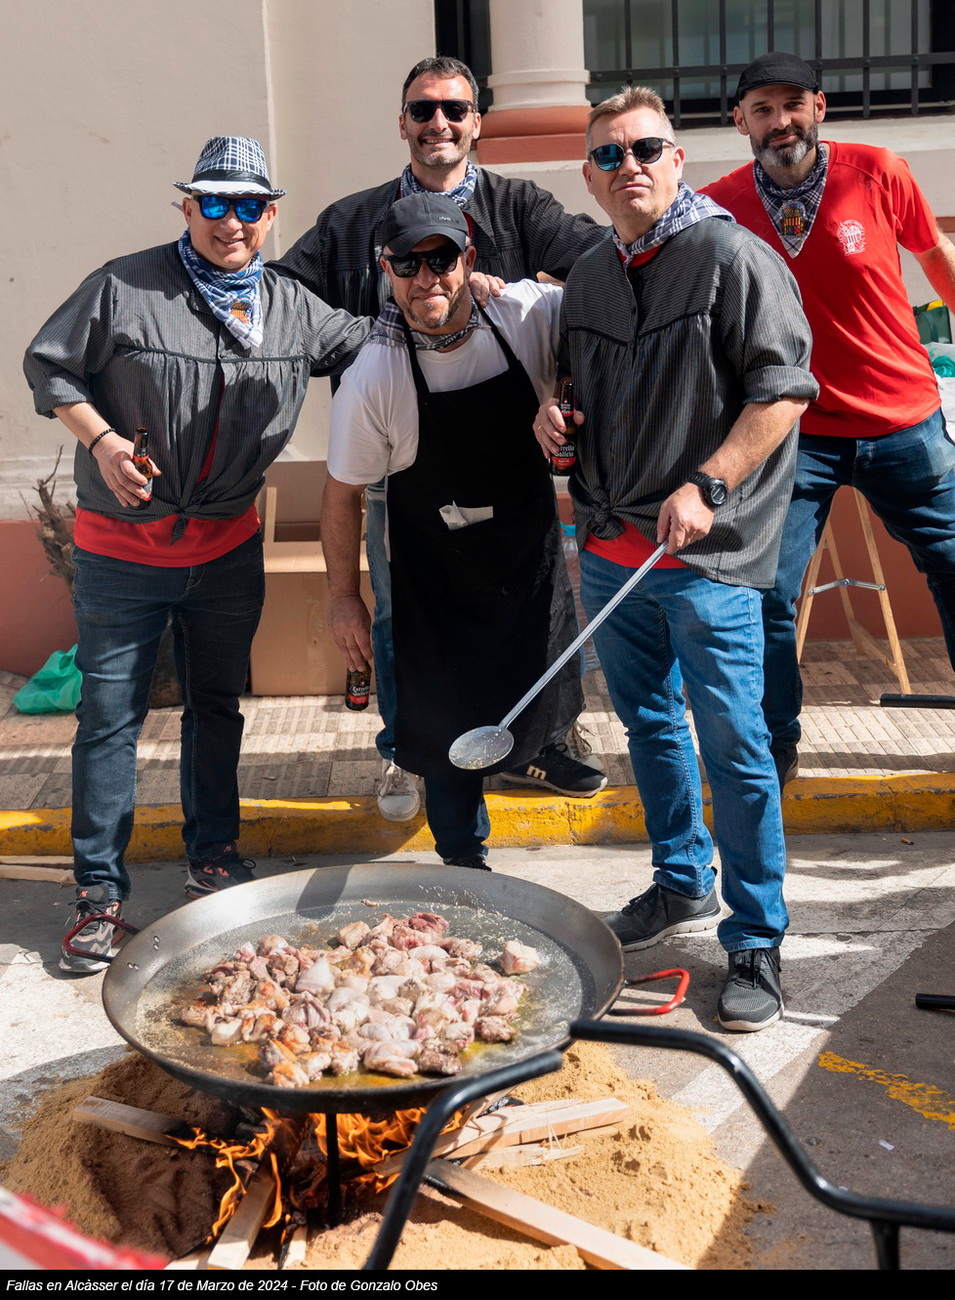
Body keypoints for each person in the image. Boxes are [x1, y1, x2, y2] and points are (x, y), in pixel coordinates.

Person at [24, 137, 370, 973]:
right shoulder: (124, 286)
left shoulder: (291, 306)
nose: (231, 222)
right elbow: (50, 366)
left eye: (249, 206)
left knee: (216, 707)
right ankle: (98, 895)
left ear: (270, 215)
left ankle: (212, 858)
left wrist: (471, 295)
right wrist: (104, 442)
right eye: (213, 203)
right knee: (109, 718)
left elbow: (380, 344)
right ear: (186, 207)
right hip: (120, 551)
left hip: (225, 551)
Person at [535, 87, 818, 1031]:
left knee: (734, 747)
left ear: (677, 158)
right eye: (609, 156)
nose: (629, 167)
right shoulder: (588, 276)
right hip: (610, 551)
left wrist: (709, 484)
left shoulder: (731, 256)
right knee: (650, 727)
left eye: (645, 149)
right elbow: (573, 387)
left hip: (707, 559)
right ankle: (679, 880)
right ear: (588, 177)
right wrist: (553, 419)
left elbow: (783, 393)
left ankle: (755, 938)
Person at [274, 55, 606, 822]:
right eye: (423, 110)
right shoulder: (352, 221)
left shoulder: (519, 208)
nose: (439, 124)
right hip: (395, 468)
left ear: (476, 122)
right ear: (402, 124)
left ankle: (543, 741)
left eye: (455, 110)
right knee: (402, 617)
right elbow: (284, 299)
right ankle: (406, 748)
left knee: (535, 606)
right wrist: (365, 336)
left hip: (508, 469)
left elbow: (598, 271)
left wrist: (541, 325)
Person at [703, 51, 955, 786]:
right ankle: (772, 748)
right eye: (762, 109)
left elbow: (934, 254)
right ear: (740, 121)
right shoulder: (719, 207)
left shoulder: (876, 171)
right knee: (764, 595)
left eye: (792, 104)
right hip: (794, 433)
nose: (779, 121)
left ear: (818, 106)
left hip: (903, 421)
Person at [322, 192, 584, 870]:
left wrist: (566, 390)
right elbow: (342, 496)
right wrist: (344, 597)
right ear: (386, 270)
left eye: (440, 259)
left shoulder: (525, 314)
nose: (425, 278)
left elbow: (606, 294)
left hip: (525, 561)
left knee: (539, 695)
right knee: (445, 731)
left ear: (468, 259)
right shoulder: (374, 377)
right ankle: (464, 863)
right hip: (435, 578)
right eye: (407, 264)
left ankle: (539, 757)